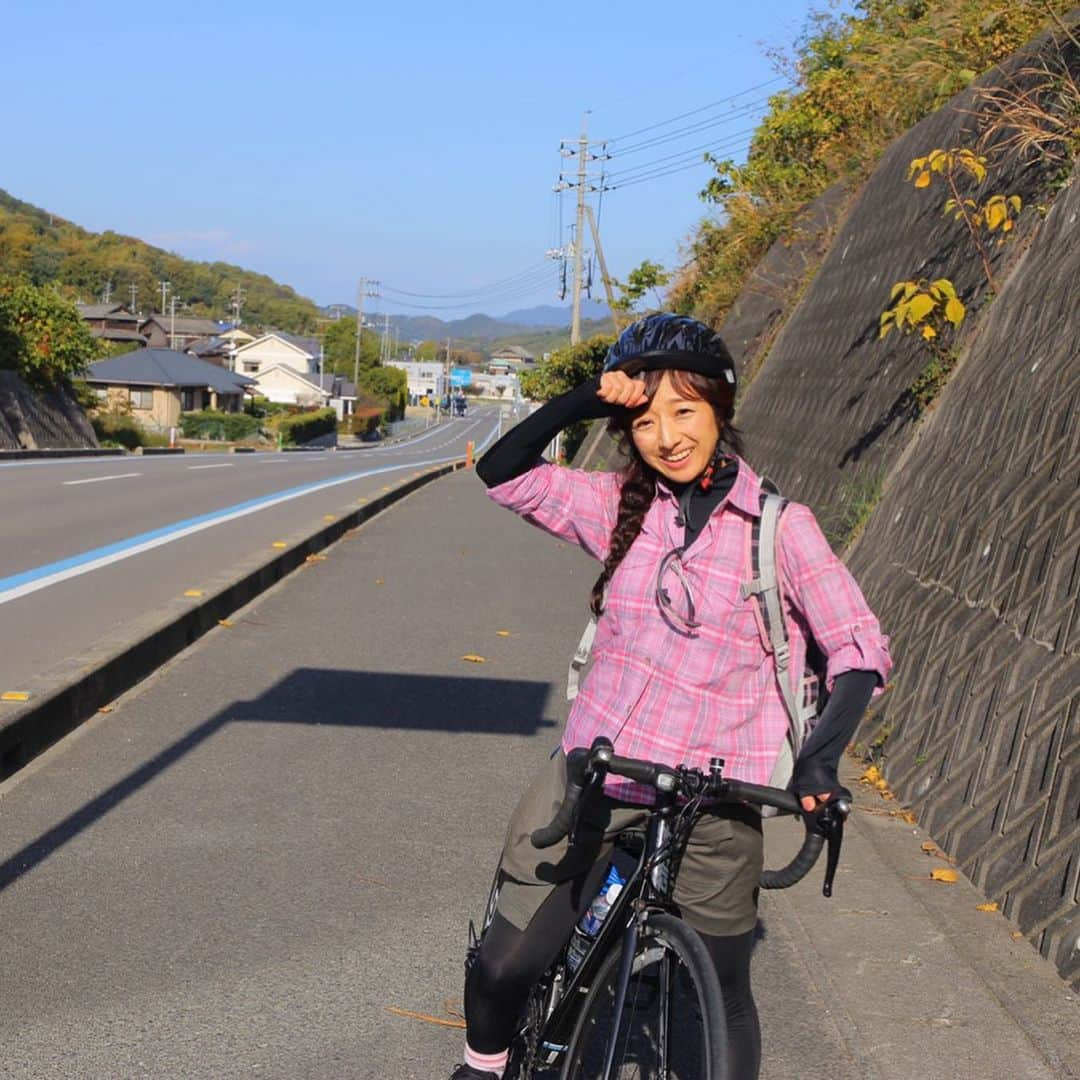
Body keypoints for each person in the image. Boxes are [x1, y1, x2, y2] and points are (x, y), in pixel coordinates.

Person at [449, 313, 892, 1080]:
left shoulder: (780, 531)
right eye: (646, 420)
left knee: (723, 991)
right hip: (597, 775)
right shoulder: (625, 507)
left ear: (721, 410)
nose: (667, 436)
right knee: (505, 967)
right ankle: (482, 1065)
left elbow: (859, 648)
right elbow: (505, 471)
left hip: (716, 794)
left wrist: (818, 767)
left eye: (685, 411)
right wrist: (586, 400)